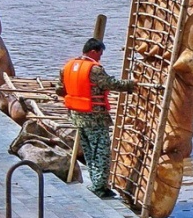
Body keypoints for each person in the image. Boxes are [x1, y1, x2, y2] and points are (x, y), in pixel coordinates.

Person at [56, 38, 136, 198]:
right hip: (95, 118)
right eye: (100, 53)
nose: (100, 57)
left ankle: (96, 182)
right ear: (93, 51)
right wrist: (131, 84)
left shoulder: (68, 67)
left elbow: (60, 89)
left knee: (88, 150)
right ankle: (99, 187)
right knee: (101, 151)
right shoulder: (94, 70)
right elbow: (112, 84)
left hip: (76, 116)